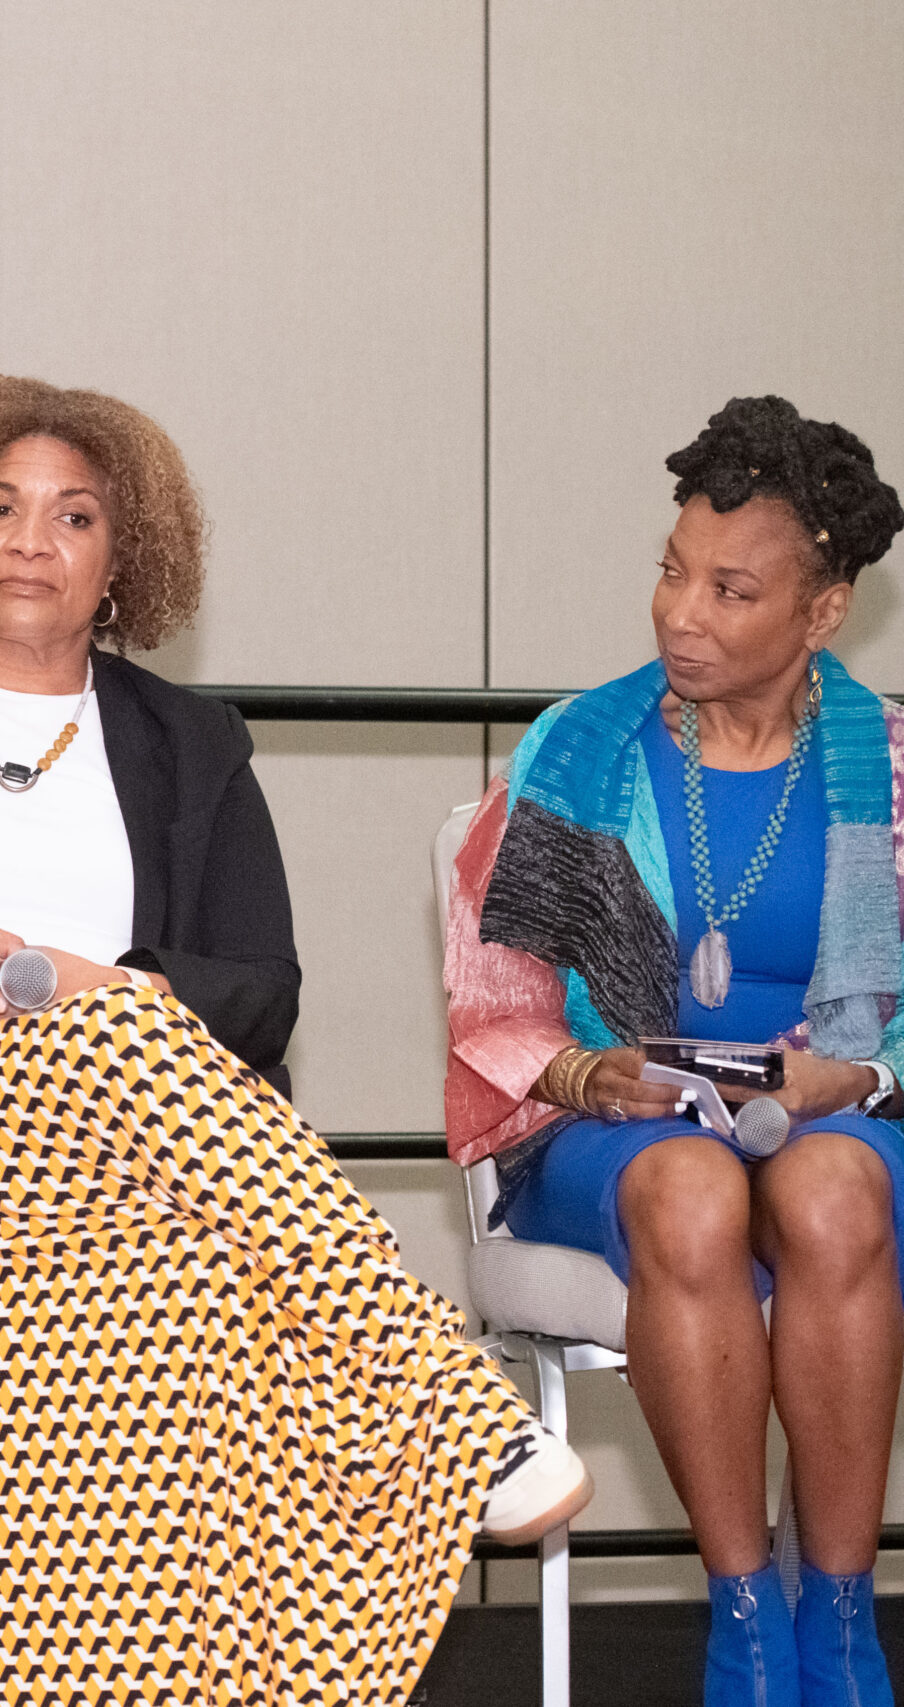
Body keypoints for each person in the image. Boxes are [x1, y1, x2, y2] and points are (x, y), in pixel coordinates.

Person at [0, 376, 590, 1703]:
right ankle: (442, 1401)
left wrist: (93, 986)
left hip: (134, 1163)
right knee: (127, 1031)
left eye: (73, 517)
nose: (31, 541)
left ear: (122, 559)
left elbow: (261, 990)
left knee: (131, 1059)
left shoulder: (191, 742)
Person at [451, 395, 904, 1705]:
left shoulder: (884, 759)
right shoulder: (577, 750)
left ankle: (841, 1620)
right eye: (671, 570)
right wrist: (590, 1074)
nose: (680, 613)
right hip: (615, 1128)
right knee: (694, 1190)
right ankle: (746, 1625)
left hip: (835, 1113)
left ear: (822, 612)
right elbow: (498, 1005)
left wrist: (860, 1074)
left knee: (834, 1186)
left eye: (730, 589)